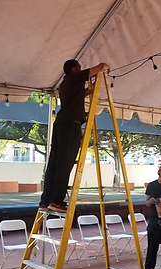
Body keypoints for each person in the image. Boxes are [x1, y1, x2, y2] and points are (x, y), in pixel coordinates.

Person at [39, 59, 110, 213]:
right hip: (70, 125)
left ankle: (46, 200)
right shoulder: (74, 77)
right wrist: (104, 66)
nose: (81, 69)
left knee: (54, 163)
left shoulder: (65, 84)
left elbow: (78, 95)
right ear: (73, 69)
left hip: (62, 123)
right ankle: (57, 201)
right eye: (79, 67)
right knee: (65, 163)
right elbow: (96, 69)